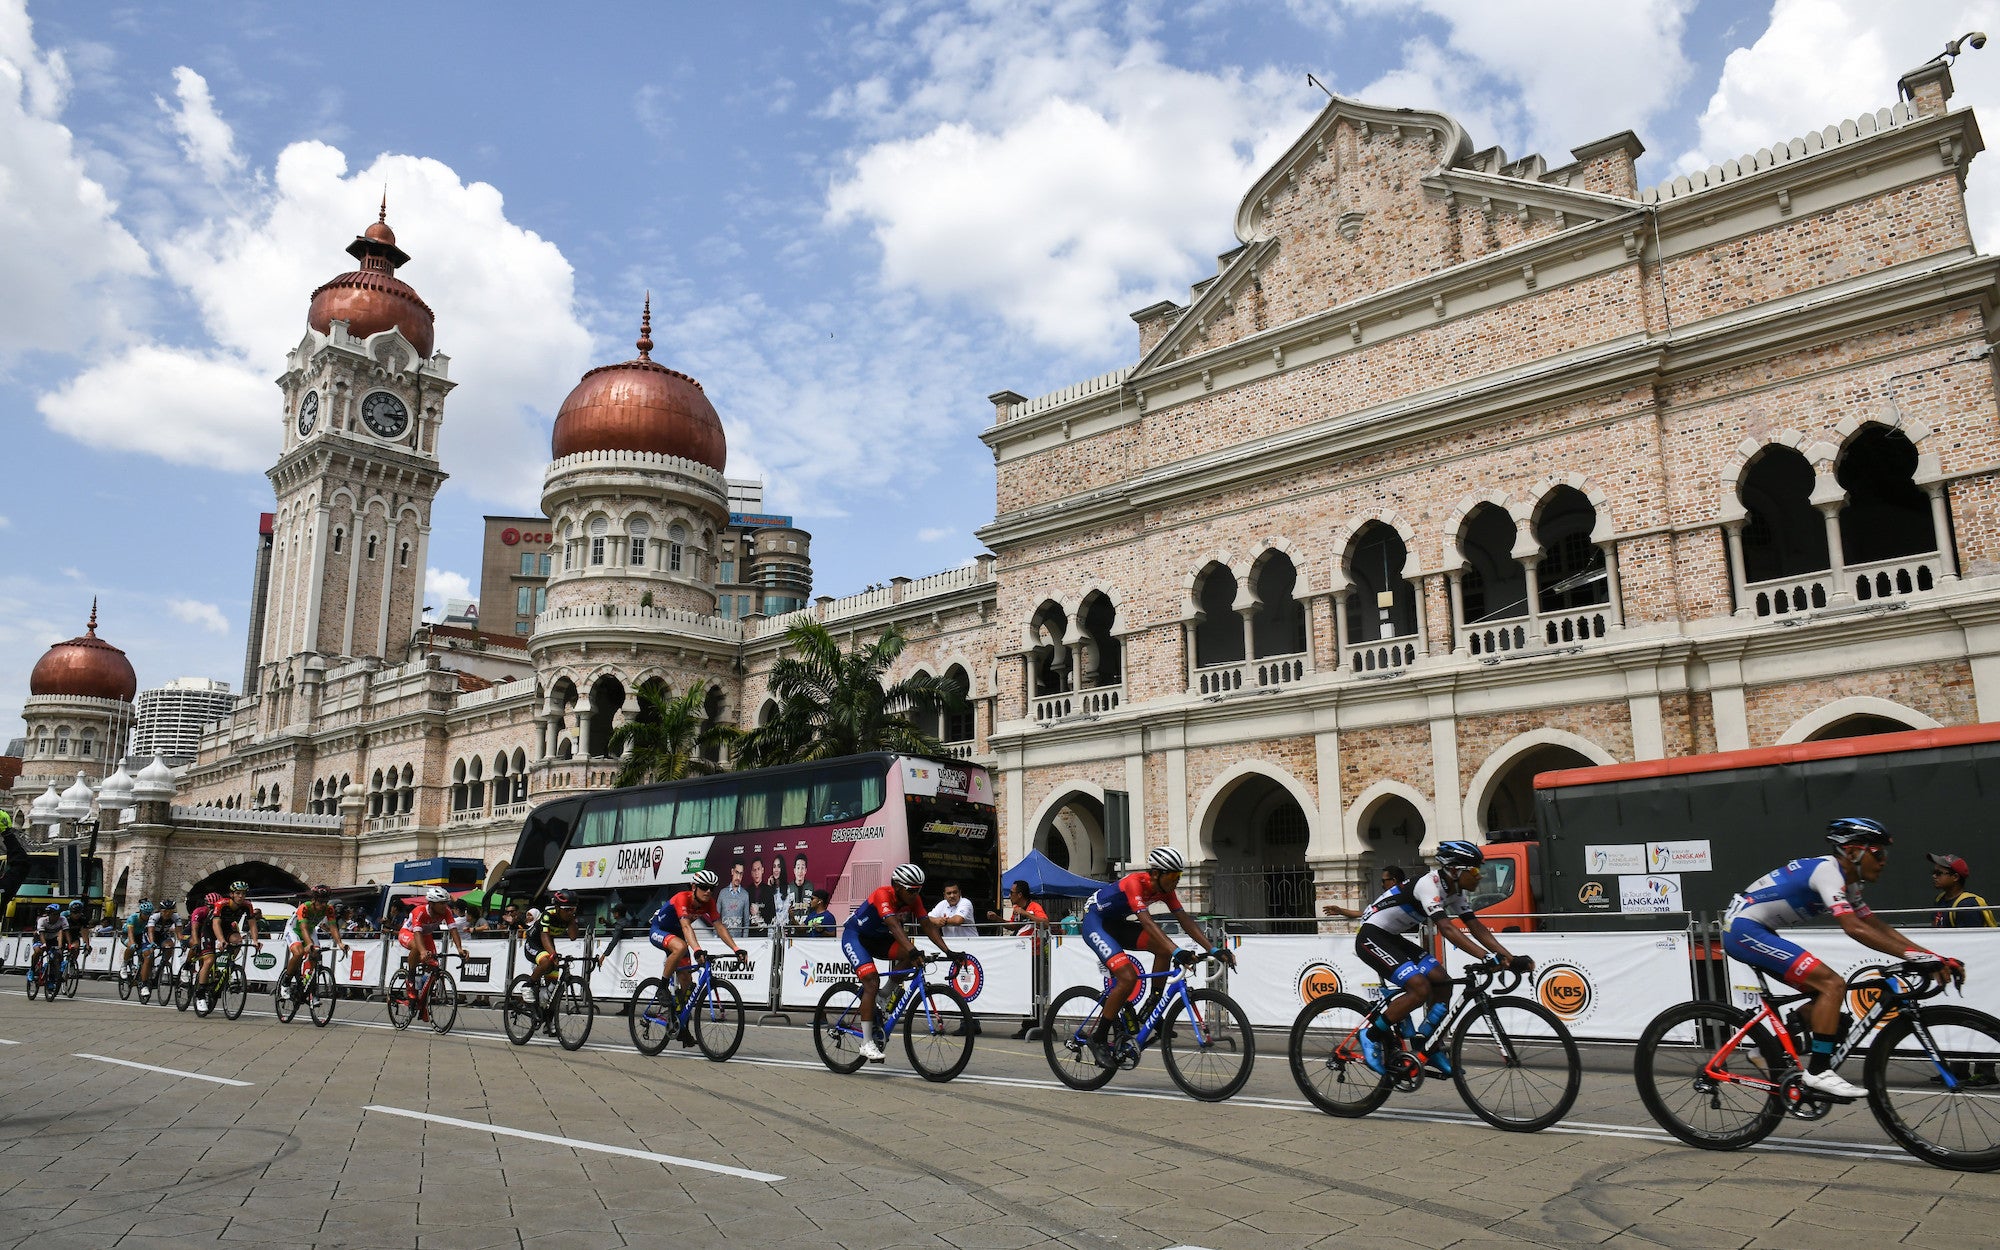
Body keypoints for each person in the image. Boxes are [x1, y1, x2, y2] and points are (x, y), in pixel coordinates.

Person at [1723, 817, 1963, 1100]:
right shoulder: (1828, 872)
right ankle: (1819, 1072)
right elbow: (1853, 928)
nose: (1884, 860)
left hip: (1758, 928)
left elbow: (1876, 926)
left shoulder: (1850, 884)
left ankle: (1765, 1051)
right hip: (1743, 929)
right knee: (1832, 985)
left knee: (1834, 1017)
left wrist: (1931, 956)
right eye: (1879, 853)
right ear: (1852, 852)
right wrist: (1917, 957)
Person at [1353, 841, 1531, 1079]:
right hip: (1371, 936)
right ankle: (1371, 1035)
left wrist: (1510, 958)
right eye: (1476, 871)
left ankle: (1427, 1044)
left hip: (1392, 938)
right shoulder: (1429, 885)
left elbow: (1476, 927)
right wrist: (1486, 957)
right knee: (1419, 988)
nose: (1480, 876)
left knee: (1442, 981)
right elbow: (1446, 928)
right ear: (1456, 871)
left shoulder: (1455, 893)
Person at [1079, 847, 1233, 1069]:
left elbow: (1186, 921)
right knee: (1128, 977)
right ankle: (1099, 1038)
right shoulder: (1135, 883)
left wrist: (1213, 949)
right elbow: (1148, 923)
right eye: (1171, 876)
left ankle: (1153, 1005)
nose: (1175, 882)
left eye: (1178, 876)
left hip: (1117, 924)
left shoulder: (1165, 890)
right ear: (1155, 873)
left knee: (1162, 950)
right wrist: (1176, 951)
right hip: (1097, 924)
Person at [840, 863, 963, 1062]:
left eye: (919, 890)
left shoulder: (913, 899)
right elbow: (894, 926)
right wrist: (912, 950)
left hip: (879, 939)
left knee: (909, 954)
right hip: (856, 937)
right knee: (871, 981)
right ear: (897, 887)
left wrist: (949, 952)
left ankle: (884, 995)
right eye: (912, 890)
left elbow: (928, 927)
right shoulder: (883, 895)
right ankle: (866, 1043)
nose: (916, 894)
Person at [647, 869, 747, 1045]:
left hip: (677, 933)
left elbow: (720, 927)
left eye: (712, 888)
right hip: (660, 930)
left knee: (687, 984)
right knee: (680, 946)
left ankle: (680, 1025)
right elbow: (686, 927)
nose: (708, 891)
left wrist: (736, 948)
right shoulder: (682, 898)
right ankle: (662, 987)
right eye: (704, 887)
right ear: (694, 887)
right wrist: (697, 950)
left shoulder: (709, 902)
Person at [991, 880, 1050, 1039]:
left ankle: (1037, 1025)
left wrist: (1026, 914)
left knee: (1035, 991)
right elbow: (1013, 927)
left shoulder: (1034, 907)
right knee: (1025, 991)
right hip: (1020, 956)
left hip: (1034, 954)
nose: (1009, 895)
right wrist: (997, 918)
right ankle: (1026, 1026)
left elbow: (1045, 922)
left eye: (1011, 892)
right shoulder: (1016, 910)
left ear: (1020, 894)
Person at [281, 885, 346, 999]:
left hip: (310, 930)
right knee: (298, 953)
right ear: (314, 900)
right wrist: (309, 943)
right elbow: (303, 928)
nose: (323, 905)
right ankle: (286, 982)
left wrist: (340, 943)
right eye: (321, 902)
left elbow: (333, 928)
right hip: (294, 930)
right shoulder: (304, 907)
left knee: (316, 954)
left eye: (325, 901)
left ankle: (311, 989)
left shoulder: (329, 909)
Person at [398, 886, 466, 990]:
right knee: (417, 947)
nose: (445, 906)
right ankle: (411, 978)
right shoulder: (420, 911)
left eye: (446, 903)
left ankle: (423, 991)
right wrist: (422, 951)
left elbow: (453, 930)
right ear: (431, 904)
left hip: (426, 936)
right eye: (441, 903)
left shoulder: (446, 912)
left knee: (434, 964)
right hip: (408, 933)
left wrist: (459, 948)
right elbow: (417, 933)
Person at [522, 890, 580, 998]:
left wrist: (572, 921)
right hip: (534, 943)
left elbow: (573, 937)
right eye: (567, 909)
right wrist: (553, 954)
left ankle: (545, 1001)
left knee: (552, 983)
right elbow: (544, 935)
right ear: (557, 908)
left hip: (548, 943)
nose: (570, 912)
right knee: (547, 961)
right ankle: (527, 985)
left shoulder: (570, 917)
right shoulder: (547, 915)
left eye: (573, 909)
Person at [1930, 853, 1996, 928]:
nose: (1934, 876)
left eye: (1938, 873)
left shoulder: (1967, 905)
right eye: (1933, 872)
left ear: (1955, 877)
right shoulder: (1939, 899)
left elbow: (1970, 938)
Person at [1325, 865, 1408, 920]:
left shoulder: (1401, 897)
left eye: (1384, 881)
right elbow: (1366, 913)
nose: (1382, 884)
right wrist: (1340, 911)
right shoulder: (1387, 897)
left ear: (1393, 881)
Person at [143, 899, 179, 999]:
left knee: (170, 946)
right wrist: (152, 943)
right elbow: (150, 932)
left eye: (171, 911)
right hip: (150, 936)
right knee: (148, 957)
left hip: (163, 936)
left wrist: (183, 941)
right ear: (161, 910)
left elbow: (180, 934)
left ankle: (162, 965)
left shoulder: (175, 917)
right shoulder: (154, 917)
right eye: (165, 911)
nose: (168, 913)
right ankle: (144, 985)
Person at [121, 901, 153, 979]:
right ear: (141, 912)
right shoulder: (133, 918)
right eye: (145, 913)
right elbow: (130, 933)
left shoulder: (150, 919)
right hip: (127, 935)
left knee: (143, 954)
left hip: (139, 935)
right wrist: (132, 943)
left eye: (149, 913)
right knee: (131, 947)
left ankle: (140, 974)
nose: (147, 916)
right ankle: (124, 965)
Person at [717, 863, 752, 933]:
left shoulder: (745, 895)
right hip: (723, 940)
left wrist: (744, 940)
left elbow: (746, 922)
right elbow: (716, 919)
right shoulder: (722, 893)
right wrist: (715, 938)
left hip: (738, 941)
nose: (738, 877)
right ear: (732, 871)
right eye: (737, 872)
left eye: (741, 874)